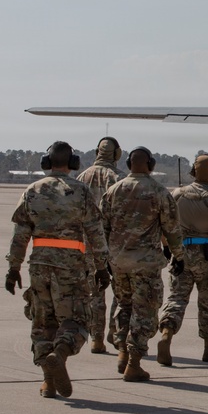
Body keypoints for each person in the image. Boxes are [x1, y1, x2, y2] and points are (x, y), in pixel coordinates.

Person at [4, 141, 111, 399]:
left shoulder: (32, 190)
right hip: (71, 265)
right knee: (76, 319)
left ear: (46, 162)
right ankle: (60, 354)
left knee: (43, 322)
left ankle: (48, 382)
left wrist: (13, 268)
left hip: (40, 266)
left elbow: (20, 235)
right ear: (73, 164)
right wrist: (101, 267)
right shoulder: (82, 192)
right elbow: (95, 233)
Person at [99, 146, 186, 381]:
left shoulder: (113, 191)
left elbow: (102, 228)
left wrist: (105, 258)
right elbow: (172, 229)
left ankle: (122, 353)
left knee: (125, 306)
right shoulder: (158, 192)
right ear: (151, 164)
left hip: (118, 262)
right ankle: (134, 363)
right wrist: (179, 256)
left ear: (128, 164)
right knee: (145, 311)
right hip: (145, 264)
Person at [157, 153, 208, 365]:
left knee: (177, 298)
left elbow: (165, 225)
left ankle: (166, 334)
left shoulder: (177, 194)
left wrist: (167, 248)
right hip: (207, 256)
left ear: (193, 171)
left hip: (181, 253)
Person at [76, 136, 123, 353]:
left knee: (94, 293)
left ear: (97, 152)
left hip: (87, 244)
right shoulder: (119, 179)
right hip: (114, 243)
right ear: (117, 154)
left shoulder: (81, 177)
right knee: (121, 291)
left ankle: (96, 339)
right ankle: (115, 331)